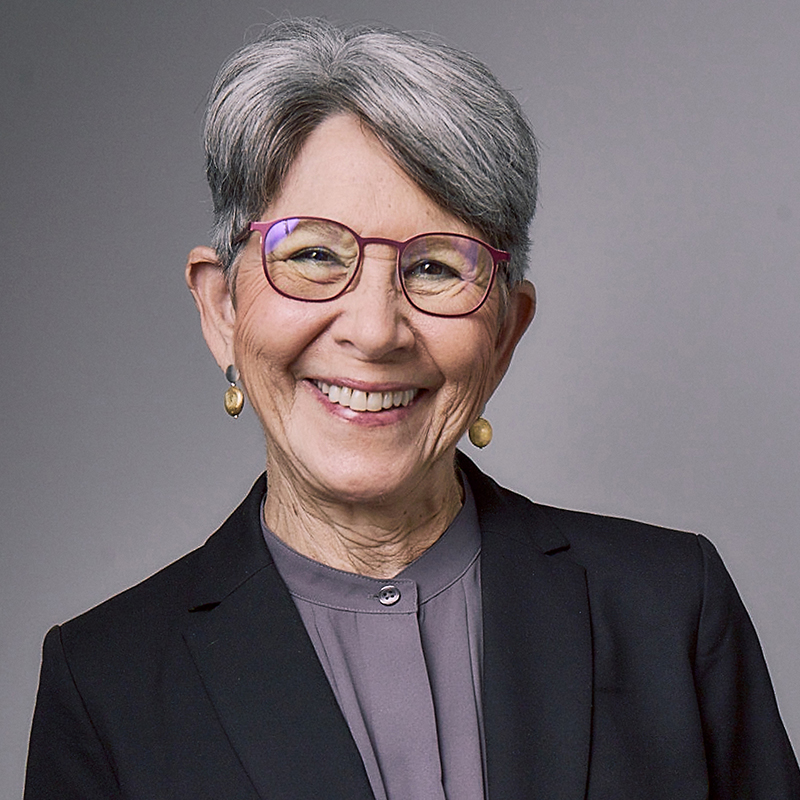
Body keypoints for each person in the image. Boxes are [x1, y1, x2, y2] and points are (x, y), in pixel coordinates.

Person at [24, 17, 800, 800]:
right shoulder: (104, 685)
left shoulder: (672, 610)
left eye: (435, 267)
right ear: (221, 306)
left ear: (505, 334)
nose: (374, 331)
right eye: (314, 254)